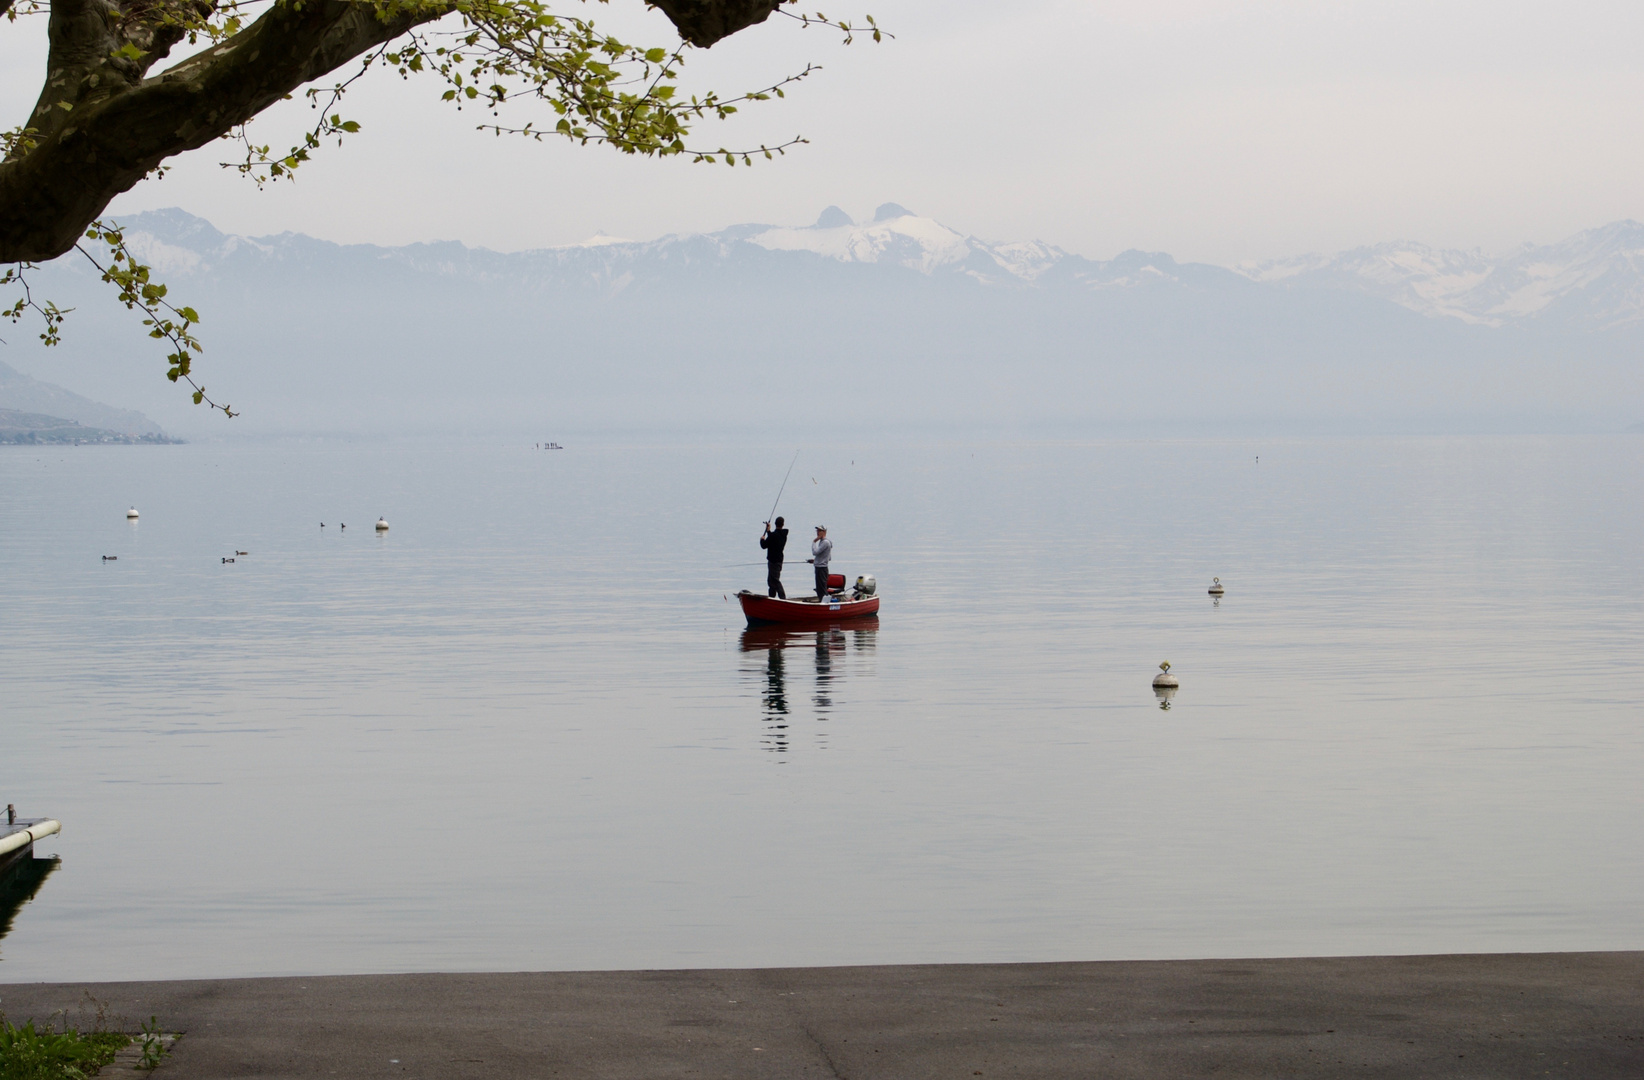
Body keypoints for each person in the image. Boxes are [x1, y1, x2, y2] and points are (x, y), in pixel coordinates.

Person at [760, 516, 789, 598]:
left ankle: (783, 598)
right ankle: (772, 597)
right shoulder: (783, 535)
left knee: (774, 580)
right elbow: (774, 538)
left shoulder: (773, 536)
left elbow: (764, 545)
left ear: (775, 524)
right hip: (779, 561)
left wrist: (762, 539)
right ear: (783, 524)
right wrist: (769, 532)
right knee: (771, 581)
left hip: (773, 562)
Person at [807, 525, 833, 601]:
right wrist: (816, 561)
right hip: (819, 567)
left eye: (819, 531)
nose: (818, 533)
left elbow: (815, 552)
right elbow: (828, 557)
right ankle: (821, 601)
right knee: (819, 588)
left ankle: (825, 603)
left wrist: (814, 541)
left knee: (821, 588)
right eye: (817, 531)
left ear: (824, 532)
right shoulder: (822, 542)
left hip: (822, 569)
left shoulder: (825, 542)